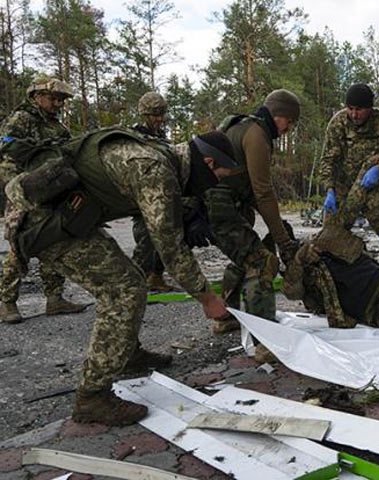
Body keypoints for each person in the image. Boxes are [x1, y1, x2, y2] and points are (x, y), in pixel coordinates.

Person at [4, 128, 238, 426]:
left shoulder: (163, 156)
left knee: (131, 281)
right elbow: (169, 244)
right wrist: (207, 297)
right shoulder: (155, 168)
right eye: (220, 175)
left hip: (65, 212)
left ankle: (125, 353)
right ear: (207, 163)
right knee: (124, 290)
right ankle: (93, 398)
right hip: (42, 221)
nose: (217, 183)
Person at [209, 89, 301, 334]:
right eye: (289, 121)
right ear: (277, 115)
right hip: (219, 205)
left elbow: (247, 186)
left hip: (224, 203)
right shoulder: (257, 134)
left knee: (243, 257)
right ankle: (266, 340)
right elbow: (263, 192)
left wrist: (279, 228)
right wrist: (283, 240)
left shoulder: (241, 125)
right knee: (260, 261)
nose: (288, 128)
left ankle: (226, 317)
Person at [0, 75, 87, 323]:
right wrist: (40, 147)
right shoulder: (22, 119)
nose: (58, 104)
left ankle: (55, 298)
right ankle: (7, 302)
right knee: (21, 242)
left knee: (52, 239)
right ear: (37, 97)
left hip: (50, 190)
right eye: (54, 98)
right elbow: (6, 145)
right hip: (22, 190)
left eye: (61, 100)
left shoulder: (58, 127)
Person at [319, 83, 379, 283]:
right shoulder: (338, 123)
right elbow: (328, 160)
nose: (354, 114)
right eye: (350, 108)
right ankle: (330, 282)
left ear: (369, 108)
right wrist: (329, 189)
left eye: (359, 109)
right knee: (330, 237)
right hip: (342, 189)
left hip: (373, 188)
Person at [130, 92, 173, 292]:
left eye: (161, 114)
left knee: (165, 240)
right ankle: (134, 284)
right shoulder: (133, 137)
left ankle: (156, 276)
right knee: (145, 241)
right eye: (155, 114)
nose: (159, 119)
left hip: (162, 196)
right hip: (142, 198)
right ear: (144, 114)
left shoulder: (161, 137)